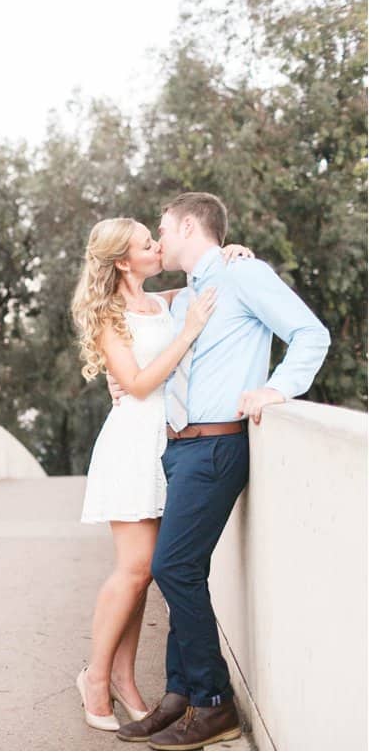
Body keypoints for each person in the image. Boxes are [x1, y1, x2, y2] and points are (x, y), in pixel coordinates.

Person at [107, 193, 330, 750]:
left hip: (216, 446)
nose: (158, 239)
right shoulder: (188, 298)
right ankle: (180, 696)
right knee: (184, 569)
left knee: (173, 567)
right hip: (179, 447)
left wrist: (277, 388)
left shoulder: (243, 276)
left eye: (163, 228)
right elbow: (131, 309)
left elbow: (311, 334)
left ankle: (214, 702)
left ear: (187, 224)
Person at [69, 217, 252, 733]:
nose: (158, 246)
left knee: (147, 570)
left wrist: (229, 253)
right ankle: (96, 678)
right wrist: (190, 329)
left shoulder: (163, 302)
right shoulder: (109, 314)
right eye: (148, 244)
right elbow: (139, 383)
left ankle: (125, 682)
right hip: (132, 445)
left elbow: (206, 284)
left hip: (168, 443)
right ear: (124, 262)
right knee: (133, 568)